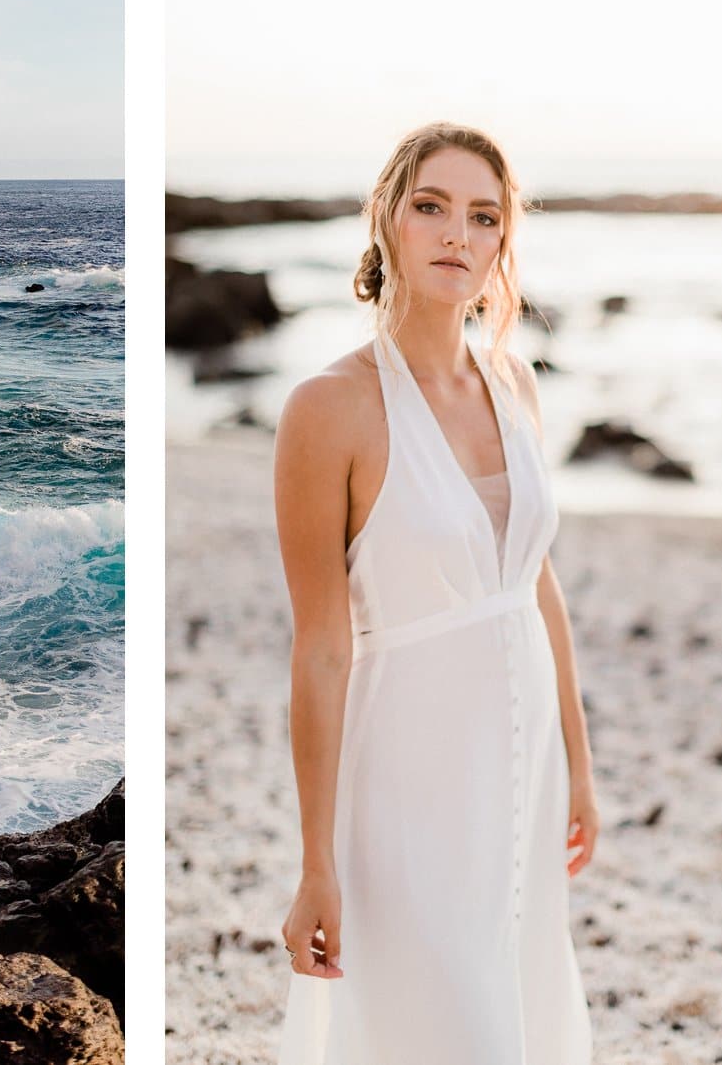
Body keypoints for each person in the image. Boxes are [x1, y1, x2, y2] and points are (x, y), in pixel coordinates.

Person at [272, 122, 597, 1062]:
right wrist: (315, 860)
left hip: (525, 754)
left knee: (522, 992)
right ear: (388, 222)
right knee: (435, 1014)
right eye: (431, 207)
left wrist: (577, 763)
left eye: (483, 216)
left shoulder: (516, 382)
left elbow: (536, 584)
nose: (457, 233)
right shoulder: (326, 410)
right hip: (408, 773)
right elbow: (322, 648)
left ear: (503, 243)